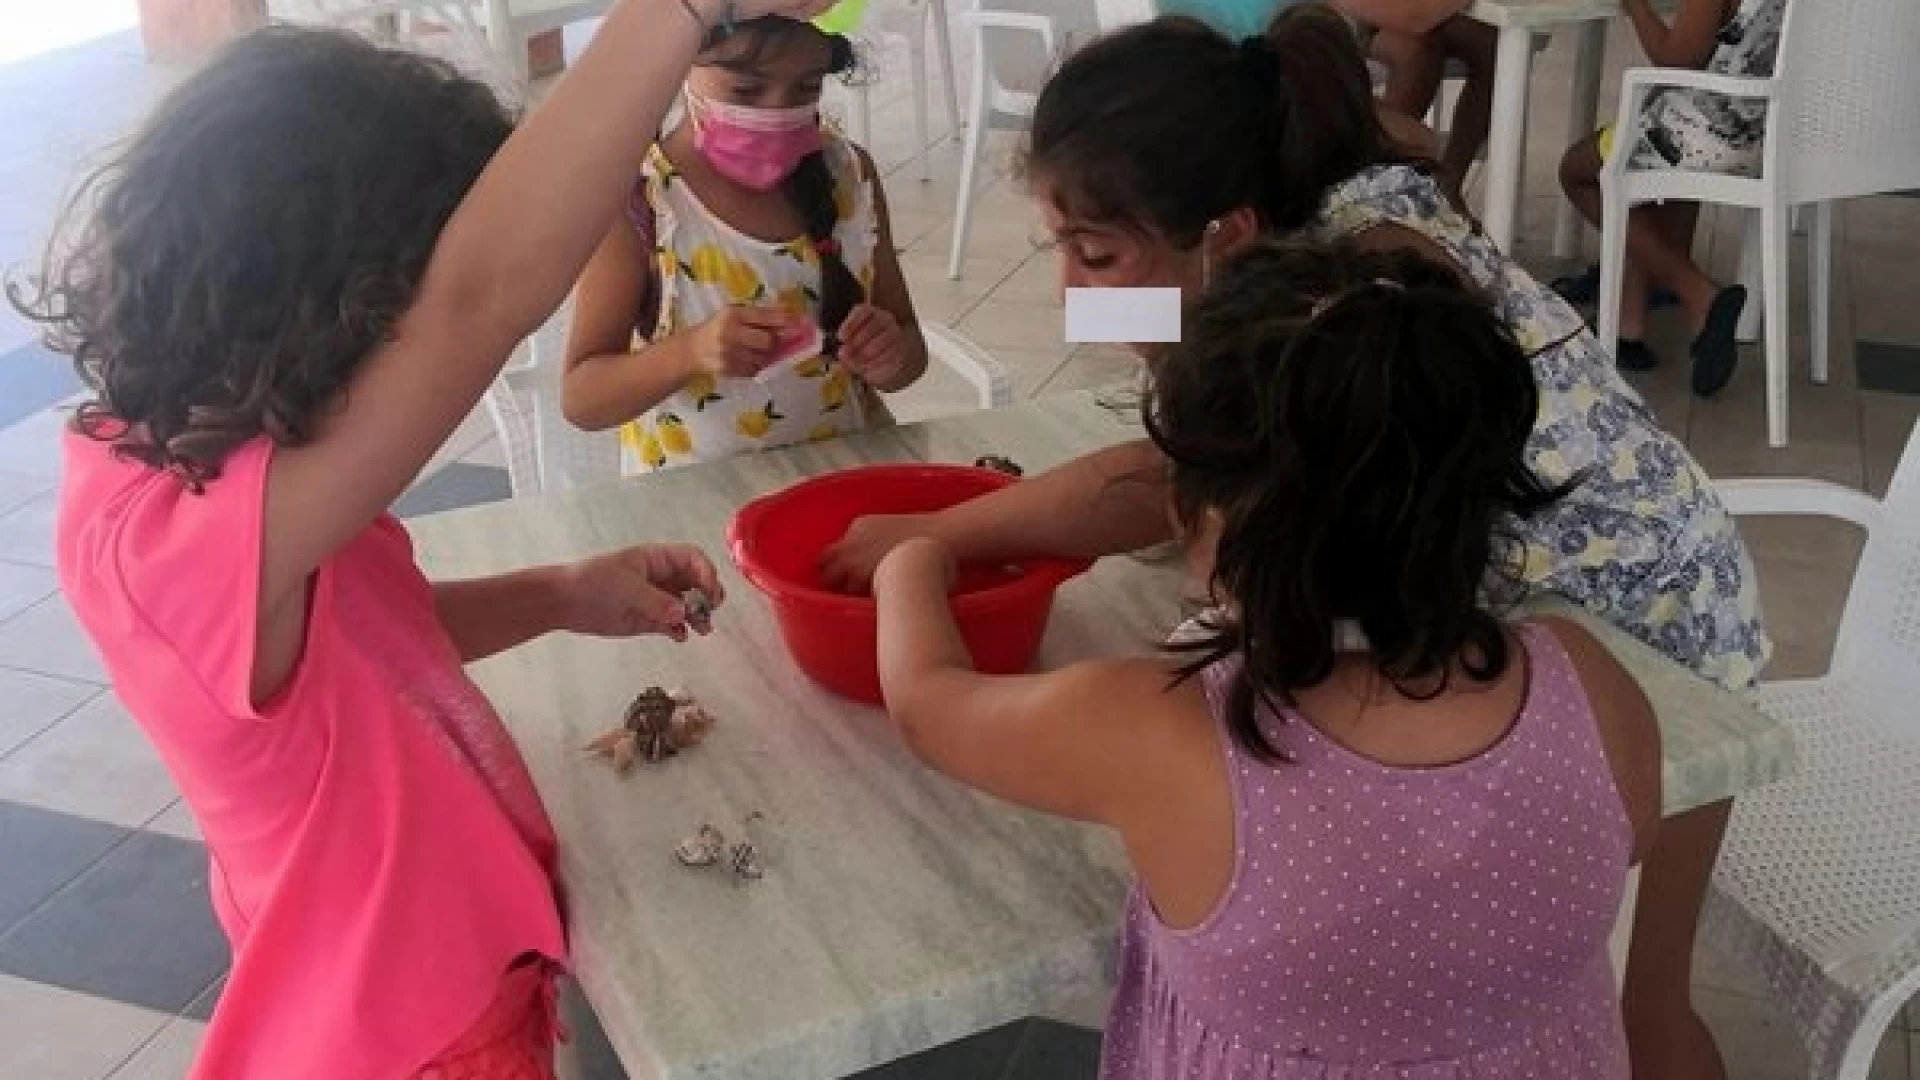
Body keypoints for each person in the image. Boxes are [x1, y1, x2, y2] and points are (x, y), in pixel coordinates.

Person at [822, 10, 1765, 1078]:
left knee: (1647, 1010)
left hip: (1652, 610)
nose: (1070, 294)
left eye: (1094, 256)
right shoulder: (1293, 253)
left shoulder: (1355, 286)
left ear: (1227, 230)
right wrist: (1123, 320)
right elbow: (1169, 426)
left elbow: (1160, 476)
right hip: (1491, 621)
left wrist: (935, 537)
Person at [7, 0, 824, 1072]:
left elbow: (359, 646)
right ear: (340, 293)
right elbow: (476, 301)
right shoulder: (176, 547)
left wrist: (562, 593)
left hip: (424, 982)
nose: (422, 365)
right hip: (412, 1038)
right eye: (408, 311)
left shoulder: (196, 472)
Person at [872, 242, 1663, 1079]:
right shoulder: (1588, 681)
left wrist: (912, 561)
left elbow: (929, 705)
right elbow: (1628, 837)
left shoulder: (1157, 727)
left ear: (1200, 511)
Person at [562, 15, 927, 472]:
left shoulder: (849, 177)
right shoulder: (642, 202)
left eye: (805, 89)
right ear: (679, 64)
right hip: (697, 504)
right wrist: (690, 352)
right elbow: (583, 398)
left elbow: (910, 349)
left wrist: (890, 355)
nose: (775, 112)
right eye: (746, 92)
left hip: (841, 480)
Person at [1558, 0, 1786, 392]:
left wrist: (1636, 9)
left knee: (1580, 172)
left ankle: (1698, 293)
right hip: (1772, 135)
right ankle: (1629, 326)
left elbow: (1675, 59)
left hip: (1707, 134)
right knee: (1658, 156)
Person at [1341, 0, 1497, 205]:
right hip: (1345, 19)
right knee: (1415, 50)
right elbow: (1416, 20)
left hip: (1405, 15)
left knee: (1492, 46)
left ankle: (1447, 186)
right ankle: (1378, 180)